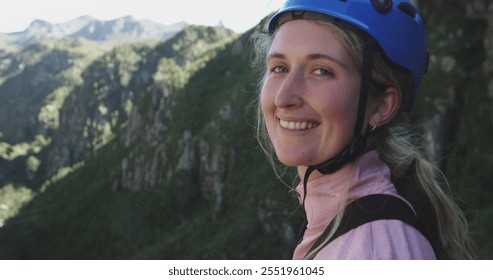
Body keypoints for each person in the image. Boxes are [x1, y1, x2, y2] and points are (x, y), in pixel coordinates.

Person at [254, 0, 477, 259]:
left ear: (382, 105)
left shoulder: (372, 246)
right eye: (279, 68)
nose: (284, 97)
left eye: (322, 71)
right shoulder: (344, 222)